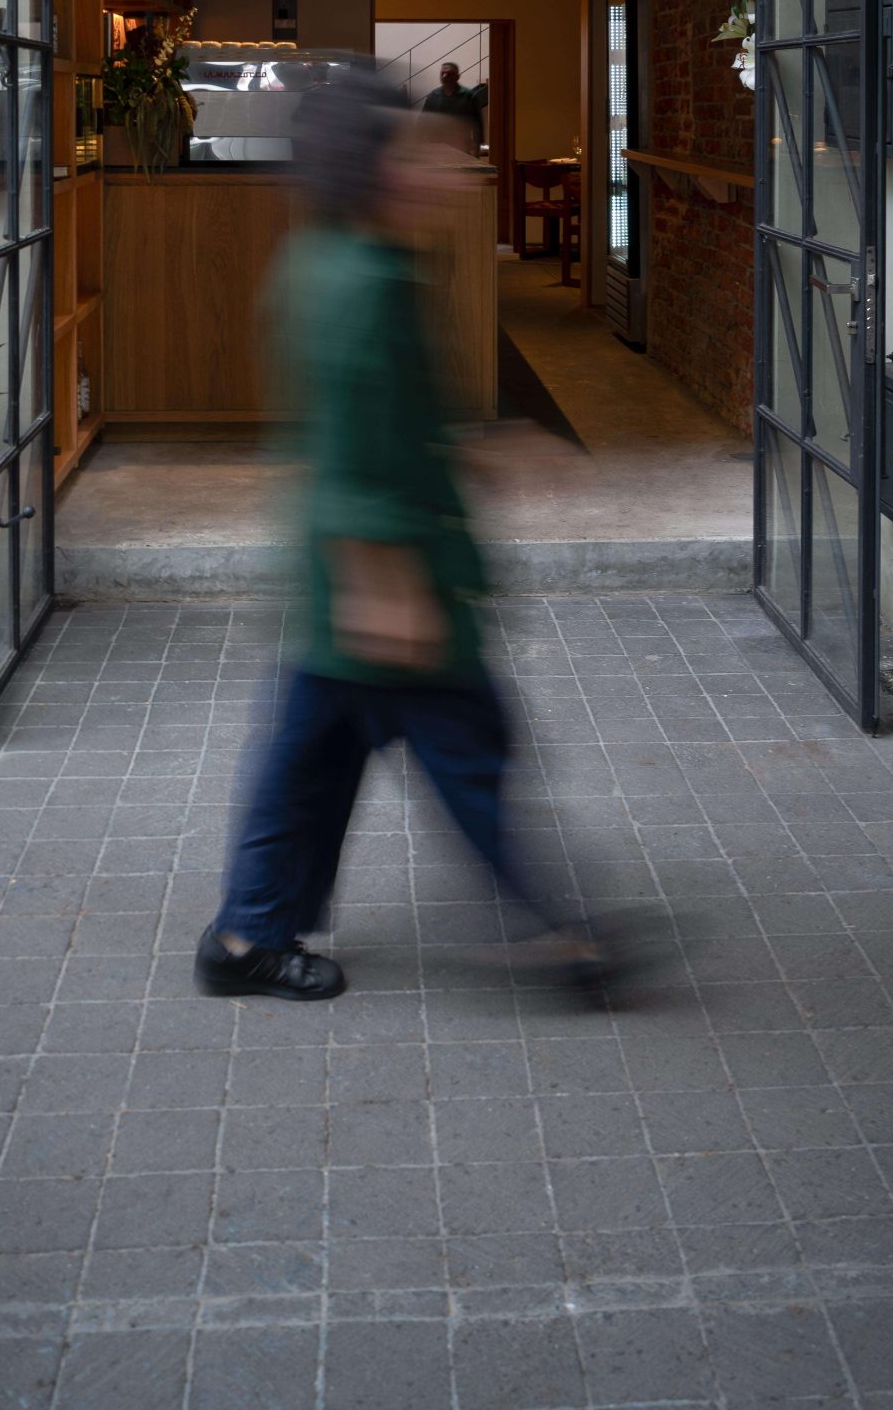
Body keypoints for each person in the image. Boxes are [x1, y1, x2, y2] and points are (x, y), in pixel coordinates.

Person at [195, 74, 605, 1004]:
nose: (446, 170)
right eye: (418, 153)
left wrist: (473, 449)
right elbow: (347, 446)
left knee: (308, 761)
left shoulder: (334, 260)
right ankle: (557, 940)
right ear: (369, 170)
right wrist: (388, 583)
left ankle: (245, 936)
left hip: (355, 587)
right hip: (389, 589)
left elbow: (373, 418)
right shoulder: (363, 283)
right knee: (468, 755)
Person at [419, 59, 486, 151]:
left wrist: (476, 151)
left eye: (449, 73)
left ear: (457, 77)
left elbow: (477, 125)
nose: (444, 76)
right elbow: (422, 122)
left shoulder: (468, 96)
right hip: (436, 148)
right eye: (442, 73)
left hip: (461, 148)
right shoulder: (433, 96)